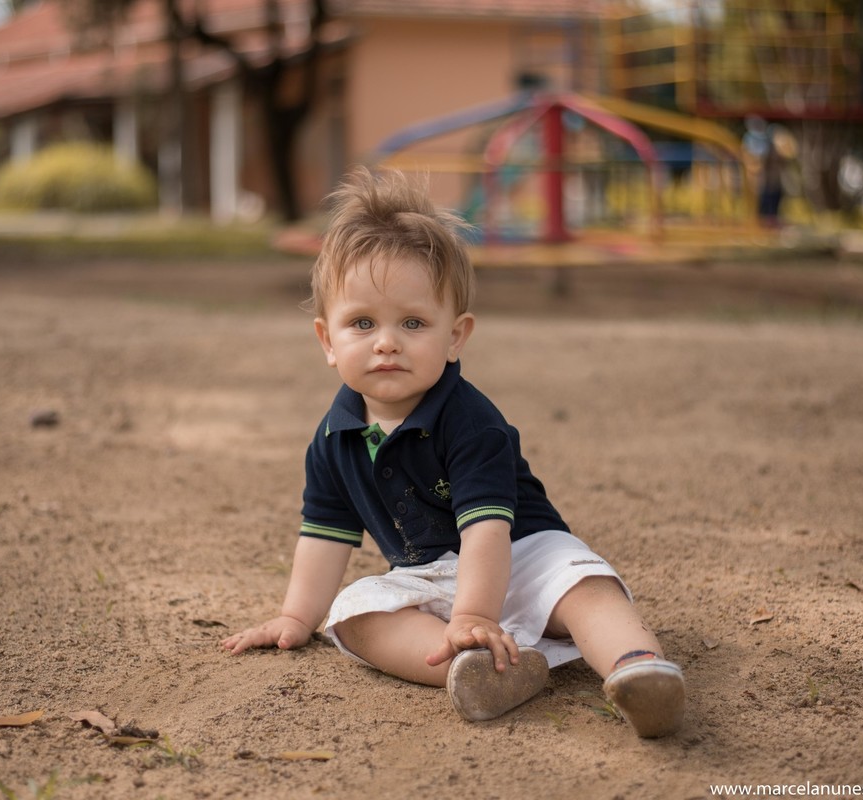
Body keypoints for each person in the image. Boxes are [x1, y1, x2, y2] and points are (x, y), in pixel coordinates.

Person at [221, 167, 685, 737]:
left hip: (519, 552)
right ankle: (478, 669)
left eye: (412, 322)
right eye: (362, 323)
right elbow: (324, 534)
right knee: (356, 616)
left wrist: (475, 613)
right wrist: (296, 617)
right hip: (431, 575)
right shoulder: (332, 438)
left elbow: (488, 532)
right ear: (327, 340)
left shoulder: (470, 421)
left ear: (455, 336)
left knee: (585, 588)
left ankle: (637, 668)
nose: (386, 341)